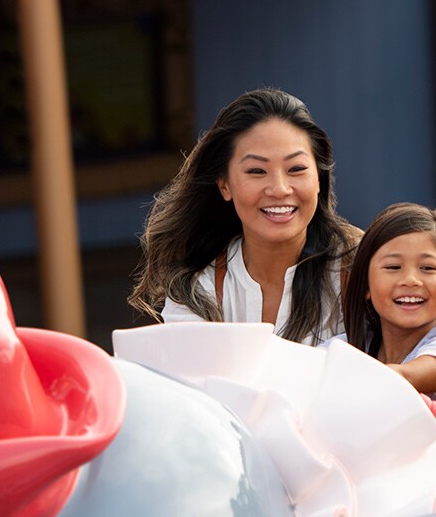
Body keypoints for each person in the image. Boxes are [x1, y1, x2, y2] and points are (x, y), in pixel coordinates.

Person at [129, 88, 361, 344]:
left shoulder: (360, 268)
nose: (280, 189)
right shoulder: (198, 288)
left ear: (319, 178)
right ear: (224, 185)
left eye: (296, 169)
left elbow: (411, 350)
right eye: (257, 171)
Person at [340, 202, 436, 400]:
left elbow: (412, 375)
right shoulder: (349, 344)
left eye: (427, 268)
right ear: (366, 284)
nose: (410, 280)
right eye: (393, 267)